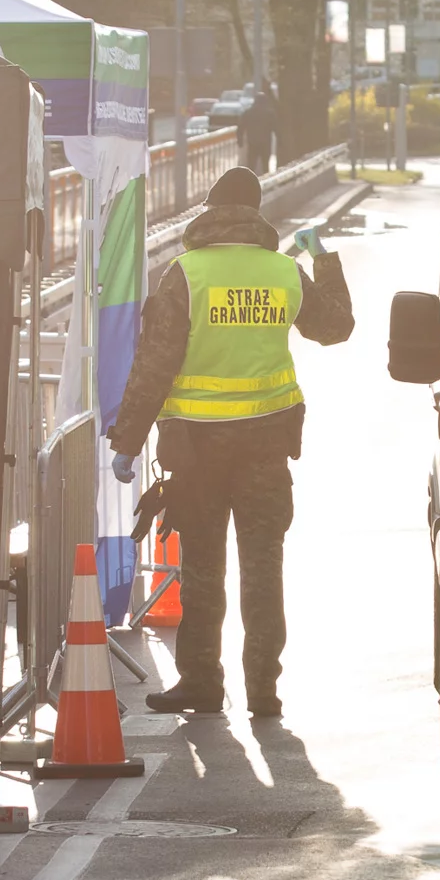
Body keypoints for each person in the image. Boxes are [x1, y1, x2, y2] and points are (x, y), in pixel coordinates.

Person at [108, 167, 353, 717]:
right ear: (257, 216)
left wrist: (128, 440)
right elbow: (335, 327)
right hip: (266, 447)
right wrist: (323, 257)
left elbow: (154, 365)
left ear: (209, 212)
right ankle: (264, 689)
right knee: (264, 566)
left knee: (201, 566)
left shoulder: (185, 275)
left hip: (196, 452)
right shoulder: (284, 272)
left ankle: (201, 682)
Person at [240, 82, 281, 174]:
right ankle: (266, 181)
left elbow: (241, 127)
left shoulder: (248, 112)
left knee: (251, 165)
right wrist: (280, 140)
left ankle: (249, 182)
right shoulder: (270, 113)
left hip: (252, 142)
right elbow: (276, 128)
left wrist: (240, 140)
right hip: (265, 143)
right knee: (265, 165)